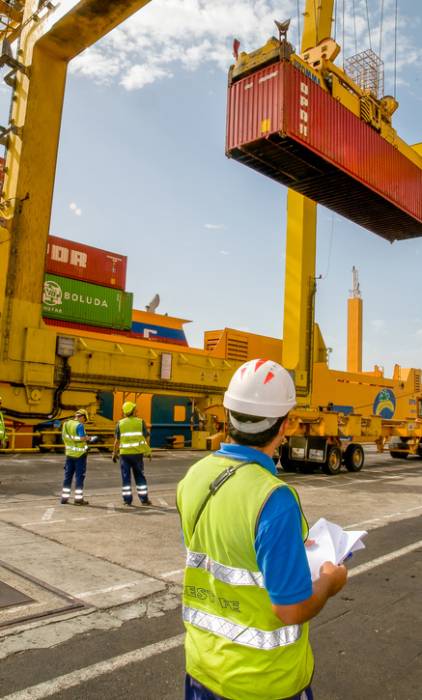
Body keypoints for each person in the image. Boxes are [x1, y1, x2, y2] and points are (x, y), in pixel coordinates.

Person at [177, 359, 348, 700]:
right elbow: (290, 609)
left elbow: (217, 554)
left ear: (227, 415)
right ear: (284, 425)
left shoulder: (193, 477)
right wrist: (330, 582)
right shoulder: (274, 499)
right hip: (264, 683)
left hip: (201, 670)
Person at [113, 401, 152, 506]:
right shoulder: (140, 422)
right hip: (137, 454)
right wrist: (148, 451)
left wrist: (114, 453)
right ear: (133, 411)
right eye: (135, 409)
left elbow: (117, 440)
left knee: (126, 478)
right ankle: (144, 499)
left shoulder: (120, 424)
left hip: (124, 455)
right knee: (140, 476)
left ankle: (127, 500)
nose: (137, 411)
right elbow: (146, 438)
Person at [61, 409, 91, 505]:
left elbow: (64, 437)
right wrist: (88, 438)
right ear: (82, 417)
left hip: (69, 454)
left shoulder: (66, 424)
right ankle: (78, 499)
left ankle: (64, 498)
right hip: (79, 456)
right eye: (84, 419)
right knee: (79, 477)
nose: (84, 422)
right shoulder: (79, 425)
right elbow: (81, 438)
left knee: (67, 477)